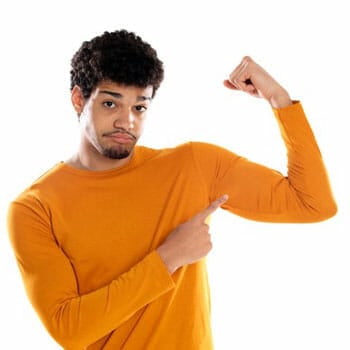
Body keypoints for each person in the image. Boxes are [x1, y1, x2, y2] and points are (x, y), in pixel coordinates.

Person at [7, 29, 337, 350]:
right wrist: (168, 257)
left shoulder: (193, 164)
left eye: (139, 107)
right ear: (79, 99)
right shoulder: (35, 208)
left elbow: (313, 203)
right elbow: (70, 330)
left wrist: (279, 100)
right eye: (111, 104)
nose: (127, 122)